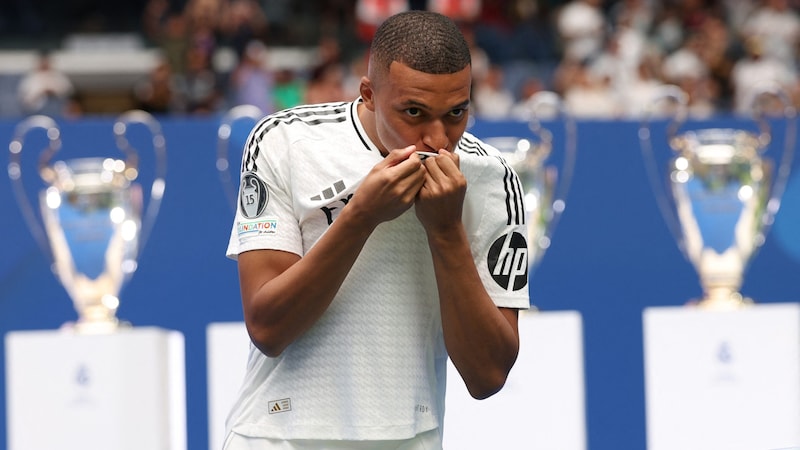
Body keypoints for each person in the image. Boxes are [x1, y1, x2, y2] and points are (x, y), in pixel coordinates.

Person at [223, 10, 530, 449]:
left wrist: (445, 232)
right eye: (414, 112)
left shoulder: (493, 177)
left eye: (456, 113)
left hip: (412, 438)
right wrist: (361, 216)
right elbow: (268, 328)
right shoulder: (284, 140)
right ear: (368, 93)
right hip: (275, 436)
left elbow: (488, 376)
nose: (438, 138)